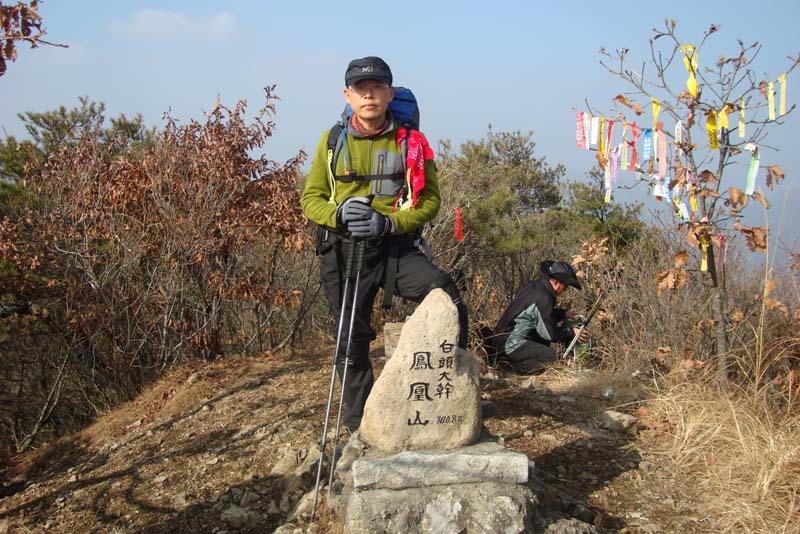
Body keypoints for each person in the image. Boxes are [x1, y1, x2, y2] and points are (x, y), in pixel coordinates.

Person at [301, 56, 468, 431]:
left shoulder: (412, 142)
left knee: (446, 293)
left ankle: (457, 393)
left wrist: (389, 221)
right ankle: (362, 423)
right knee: (349, 338)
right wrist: (339, 215)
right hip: (344, 251)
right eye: (361, 89)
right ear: (348, 95)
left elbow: (429, 201)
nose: (369, 95)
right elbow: (311, 198)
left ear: (390, 93)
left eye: (377, 87)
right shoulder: (331, 142)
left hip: (394, 247)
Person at [491, 260, 588, 374]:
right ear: (557, 283)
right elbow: (549, 334)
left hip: (499, 339)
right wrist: (572, 332)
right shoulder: (544, 297)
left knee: (542, 342)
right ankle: (509, 370)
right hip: (509, 345)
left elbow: (538, 314)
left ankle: (505, 363)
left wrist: (563, 314)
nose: (564, 291)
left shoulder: (534, 286)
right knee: (553, 359)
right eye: (565, 287)